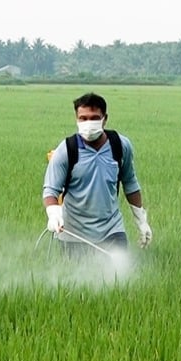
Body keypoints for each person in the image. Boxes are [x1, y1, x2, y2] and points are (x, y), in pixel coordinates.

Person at [42, 92, 152, 256]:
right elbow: (51, 190)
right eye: (83, 118)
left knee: (120, 270)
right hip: (74, 234)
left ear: (104, 119)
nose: (88, 123)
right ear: (76, 119)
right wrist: (53, 214)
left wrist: (141, 221)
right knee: (75, 272)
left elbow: (130, 183)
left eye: (94, 118)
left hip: (112, 230)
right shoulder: (66, 150)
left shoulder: (120, 145)